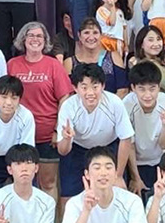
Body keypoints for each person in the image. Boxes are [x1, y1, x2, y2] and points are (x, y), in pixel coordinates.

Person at [7, 21, 73, 202]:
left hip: (46, 136)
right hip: (18, 135)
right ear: (23, 39)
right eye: (31, 35)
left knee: (48, 183)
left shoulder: (53, 65)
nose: (35, 39)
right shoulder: (12, 65)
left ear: (45, 41)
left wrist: (57, 131)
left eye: (39, 36)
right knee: (20, 183)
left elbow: (64, 99)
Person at [56, 63, 135, 210]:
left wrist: (118, 175)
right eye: (84, 87)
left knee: (117, 192)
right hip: (77, 150)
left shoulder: (114, 103)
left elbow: (125, 138)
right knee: (68, 195)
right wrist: (66, 138)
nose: (90, 92)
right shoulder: (68, 106)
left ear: (103, 86)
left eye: (95, 86)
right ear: (75, 88)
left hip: (108, 148)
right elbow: (63, 151)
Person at [122, 61, 165, 199]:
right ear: (133, 88)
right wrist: (136, 178)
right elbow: (129, 145)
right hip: (135, 162)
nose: (148, 95)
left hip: (160, 160)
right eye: (142, 89)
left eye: (152, 89)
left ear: (159, 87)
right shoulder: (126, 105)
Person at [66, 18, 129, 97]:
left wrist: (107, 107)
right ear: (79, 36)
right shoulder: (70, 63)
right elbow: (69, 94)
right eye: (86, 33)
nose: (91, 37)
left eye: (95, 33)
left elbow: (123, 90)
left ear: (101, 35)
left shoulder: (113, 57)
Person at [94, 0, 132, 64]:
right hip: (106, 41)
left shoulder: (119, 12)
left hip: (118, 42)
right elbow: (112, 22)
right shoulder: (101, 10)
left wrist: (126, 44)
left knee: (119, 63)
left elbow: (124, 29)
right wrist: (112, 7)